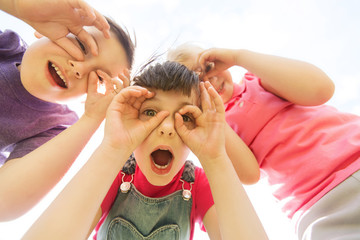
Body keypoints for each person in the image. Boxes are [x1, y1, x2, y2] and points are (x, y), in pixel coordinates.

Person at [22, 61, 268, 240]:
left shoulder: (199, 185)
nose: (168, 128)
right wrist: (113, 148)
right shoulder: (115, 176)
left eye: (186, 116)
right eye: (151, 113)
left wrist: (215, 158)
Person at [168, 43, 360, 240]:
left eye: (209, 68)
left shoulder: (257, 82)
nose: (210, 79)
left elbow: (322, 89)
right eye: (197, 83)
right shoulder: (220, 126)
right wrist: (210, 112)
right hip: (315, 203)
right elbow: (249, 173)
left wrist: (238, 56)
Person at [0, 0, 135, 220]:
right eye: (81, 45)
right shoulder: (6, 45)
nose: (79, 68)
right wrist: (16, 6)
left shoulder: (53, 126)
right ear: (41, 30)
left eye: (99, 77)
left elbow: (3, 203)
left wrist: (92, 119)